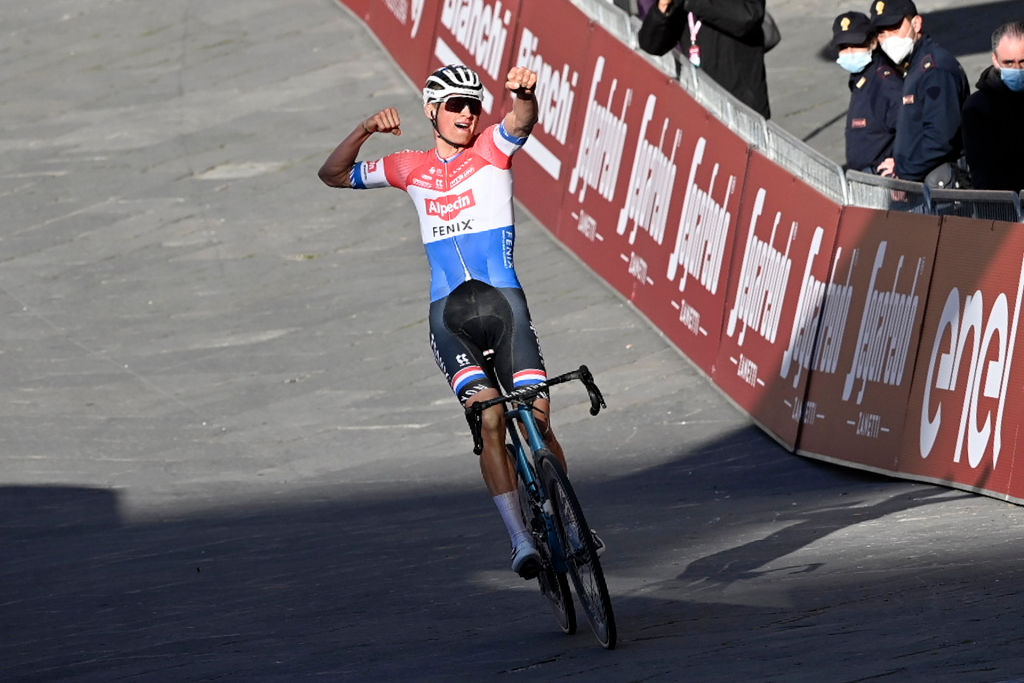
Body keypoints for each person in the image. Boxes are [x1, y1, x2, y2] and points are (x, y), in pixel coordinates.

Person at [318, 64, 566, 580]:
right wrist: (365, 128)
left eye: (473, 104)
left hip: (504, 305)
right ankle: (520, 538)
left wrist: (522, 95)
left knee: (538, 414)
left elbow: (522, 121)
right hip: (449, 317)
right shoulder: (409, 166)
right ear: (432, 111)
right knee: (490, 419)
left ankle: (566, 519)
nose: (467, 113)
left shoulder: (492, 149)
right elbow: (333, 174)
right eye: (455, 105)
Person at [870, 0, 970, 185]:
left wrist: (904, 171)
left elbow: (940, 137)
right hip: (923, 178)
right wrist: (899, 162)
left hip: (941, 186)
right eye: (882, 33)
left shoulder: (934, 69)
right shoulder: (916, 67)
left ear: (916, 23)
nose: (888, 38)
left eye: (894, 28)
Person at [636, 0, 771, 118]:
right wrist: (662, 10)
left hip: (742, 105)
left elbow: (748, 16)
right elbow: (651, 44)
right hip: (702, 106)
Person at [830, 10, 902, 174]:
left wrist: (899, 162)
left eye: (856, 45)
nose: (850, 52)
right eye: (843, 47)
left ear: (873, 43)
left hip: (884, 180)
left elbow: (910, 129)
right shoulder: (860, 80)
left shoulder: (886, 83)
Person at [961, 20, 1024, 192]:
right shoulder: (977, 108)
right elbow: (983, 173)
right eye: (1009, 63)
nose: (1017, 69)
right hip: (1005, 210)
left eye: (1023, 62)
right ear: (995, 60)